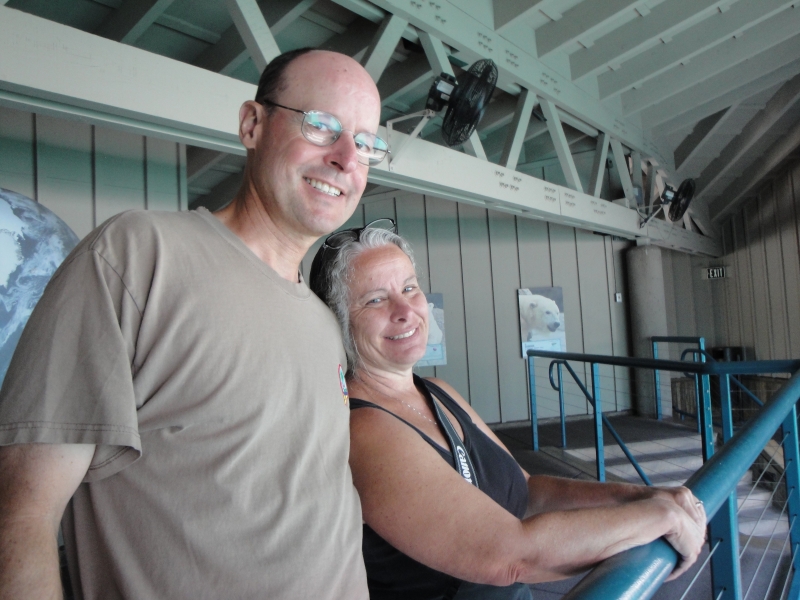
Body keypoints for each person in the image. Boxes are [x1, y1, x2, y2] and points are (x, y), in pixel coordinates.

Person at [0, 48, 385, 599]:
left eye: (366, 143)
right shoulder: (138, 255)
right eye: (322, 125)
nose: (347, 158)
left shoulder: (326, 325)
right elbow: (22, 513)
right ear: (252, 124)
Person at [309, 221, 708, 600]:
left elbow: (528, 493)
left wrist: (638, 497)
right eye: (375, 299)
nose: (405, 309)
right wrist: (661, 518)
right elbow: (510, 556)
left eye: (410, 288)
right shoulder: (363, 429)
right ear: (339, 322)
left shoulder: (438, 392)